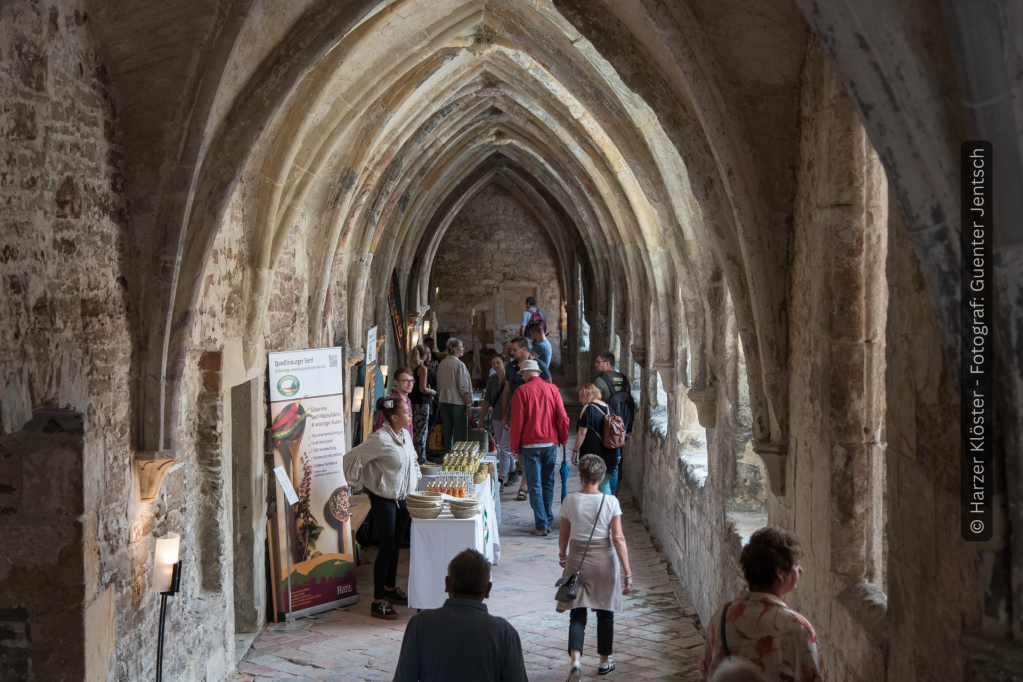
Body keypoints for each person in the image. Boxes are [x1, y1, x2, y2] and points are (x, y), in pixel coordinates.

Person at [699, 527, 822, 682]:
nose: (800, 570)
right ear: (779, 572)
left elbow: (708, 669)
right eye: (796, 564)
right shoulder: (798, 628)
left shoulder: (722, 616)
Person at [393, 549, 528, 682]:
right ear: (488, 589)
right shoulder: (504, 632)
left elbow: (404, 677)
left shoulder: (420, 624)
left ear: (447, 583)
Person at [343, 398, 421, 620]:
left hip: (403, 498)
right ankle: (378, 600)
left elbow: (413, 460)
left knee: (396, 546)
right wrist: (362, 487)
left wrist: (414, 481)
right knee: (386, 547)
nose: (410, 415)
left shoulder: (404, 436)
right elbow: (351, 459)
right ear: (394, 417)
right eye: (407, 412)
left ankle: (389, 588)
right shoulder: (380, 439)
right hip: (384, 499)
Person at [558, 455, 633, 681]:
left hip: (577, 561)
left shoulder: (569, 500)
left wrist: (563, 556)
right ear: (602, 478)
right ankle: (603, 661)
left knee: (577, 614)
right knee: (605, 613)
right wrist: (627, 572)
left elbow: (564, 536)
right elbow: (618, 538)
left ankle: (576, 662)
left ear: (580, 477)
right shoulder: (611, 502)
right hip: (604, 561)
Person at [509, 359, 569, 536]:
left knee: (534, 485)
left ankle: (541, 524)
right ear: (539, 373)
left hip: (530, 444)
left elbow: (517, 422)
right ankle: (548, 520)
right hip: (550, 442)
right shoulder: (553, 389)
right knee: (548, 482)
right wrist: (563, 438)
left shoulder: (521, 391)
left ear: (526, 373)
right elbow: (562, 417)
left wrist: (514, 447)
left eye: (522, 374)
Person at [503, 336, 552, 500]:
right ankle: (527, 483)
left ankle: (528, 484)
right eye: (511, 349)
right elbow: (507, 391)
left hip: (536, 414)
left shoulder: (540, 365)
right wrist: (504, 414)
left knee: (531, 450)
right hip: (517, 412)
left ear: (524, 349)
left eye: (514, 349)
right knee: (524, 449)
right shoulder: (510, 367)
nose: (511, 352)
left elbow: (549, 389)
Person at [571, 384, 618, 494]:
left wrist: (575, 451)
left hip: (593, 452)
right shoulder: (609, 408)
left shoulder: (587, 408)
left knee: (589, 485)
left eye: (581, 396)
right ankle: (606, 509)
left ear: (589, 395)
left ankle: (594, 509)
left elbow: (582, 433)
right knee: (605, 484)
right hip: (610, 451)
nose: (579, 400)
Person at [480, 355, 513, 488]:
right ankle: (513, 472)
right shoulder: (491, 381)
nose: (496, 366)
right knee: (502, 447)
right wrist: (481, 419)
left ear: (504, 363)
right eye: (493, 363)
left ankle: (500, 479)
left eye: (498, 363)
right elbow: (486, 402)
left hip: (509, 417)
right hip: (496, 417)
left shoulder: (511, 379)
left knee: (504, 449)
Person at [437, 337, 472, 452]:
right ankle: (460, 460)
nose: (463, 349)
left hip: (445, 401)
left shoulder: (442, 363)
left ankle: (448, 459)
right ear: (454, 349)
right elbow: (462, 387)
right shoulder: (459, 364)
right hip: (458, 402)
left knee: (447, 433)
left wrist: (440, 401)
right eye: (461, 347)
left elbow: (440, 384)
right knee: (460, 434)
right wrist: (468, 404)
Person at [409, 346, 438, 464]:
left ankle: (416, 456)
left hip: (413, 402)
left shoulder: (413, 368)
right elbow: (422, 388)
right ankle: (421, 458)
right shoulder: (423, 369)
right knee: (422, 431)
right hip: (421, 403)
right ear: (424, 355)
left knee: (415, 430)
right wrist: (432, 392)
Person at [373, 367, 415, 440]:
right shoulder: (390, 402)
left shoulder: (408, 400)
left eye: (411, 381)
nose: (410, 384)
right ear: (396, 382)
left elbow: (409, 428)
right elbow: (380, 426)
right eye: (406, 381)